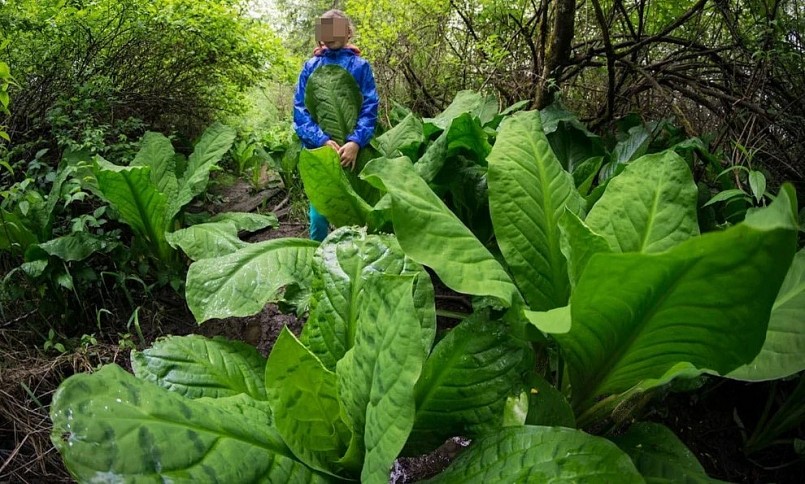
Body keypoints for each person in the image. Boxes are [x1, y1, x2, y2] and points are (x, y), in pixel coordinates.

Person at [293, 9, 379, 242]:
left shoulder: (360, 66)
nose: (330, 36)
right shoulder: (311, 66)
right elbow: (300, 112)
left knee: (355, 207)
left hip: (353, 152)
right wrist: (320, 140)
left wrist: (355, 141)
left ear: (348, 32)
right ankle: (318, 258)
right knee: (319, 212)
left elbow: (370, 107)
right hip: (321, 150)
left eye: (336, 29)